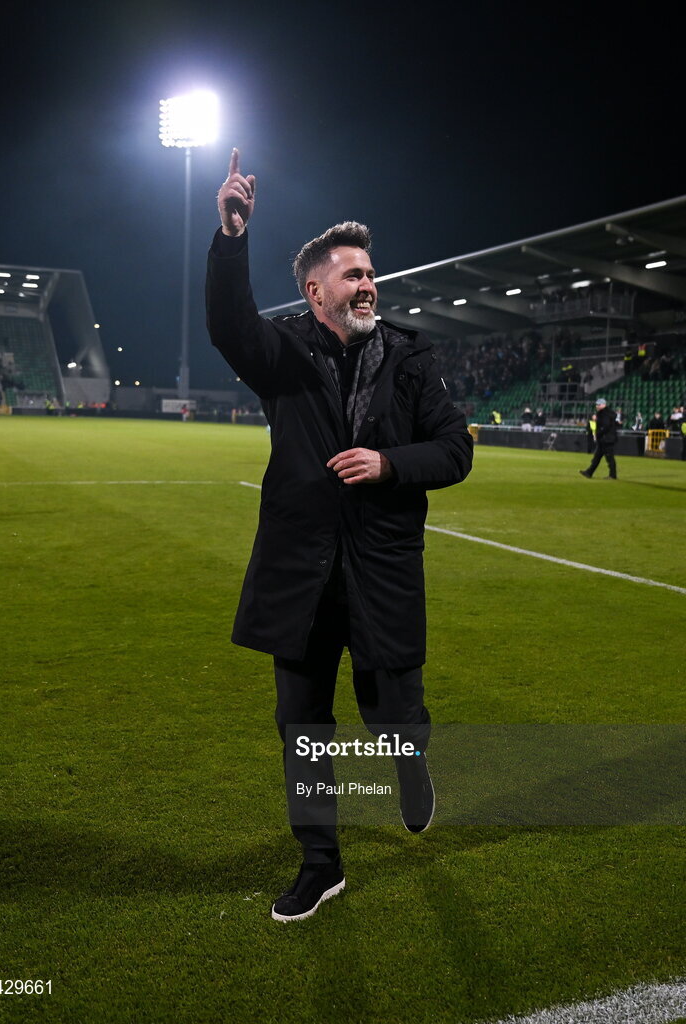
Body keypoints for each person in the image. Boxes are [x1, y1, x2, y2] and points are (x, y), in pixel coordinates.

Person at [206, 150, 473, 923]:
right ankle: (320, 864)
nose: (368, 284)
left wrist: (389, 462)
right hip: (301, 572)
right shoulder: (282, 353)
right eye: (352, 275)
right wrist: (231, 238)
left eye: (370, 272)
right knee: (304, 728)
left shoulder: (413, 358)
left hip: (383, 569)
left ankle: (410, 758)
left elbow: (454, 451)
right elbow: (227, 324)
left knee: (392, 714)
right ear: (314, 291)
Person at [579, 397, 617, 479]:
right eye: (596, 405)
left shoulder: (604, 414)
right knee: (597, 457)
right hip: (605, 439)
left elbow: (605, 426)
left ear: (603, 405)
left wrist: (598, 433)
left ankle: (613, 475)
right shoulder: (607, 413)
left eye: (598, 405)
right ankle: (589, 472)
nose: (597, 406)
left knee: (609, 458)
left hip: (606, 439)